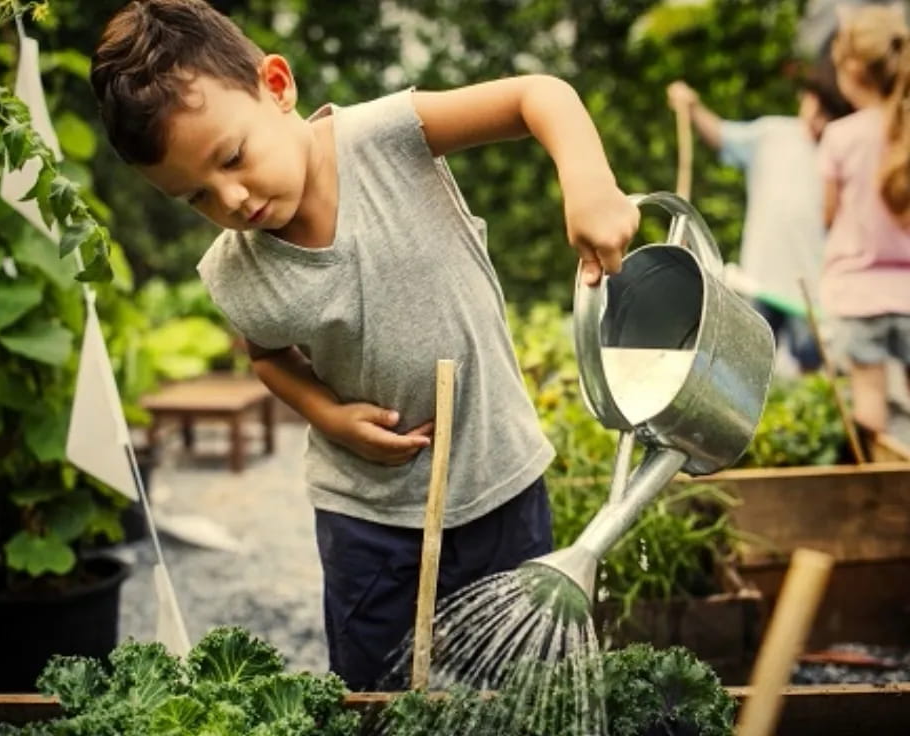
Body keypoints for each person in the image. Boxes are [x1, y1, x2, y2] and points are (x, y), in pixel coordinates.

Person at [89, 0, 639, 690]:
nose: (230, 199)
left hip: (499, 479)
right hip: (365, 517)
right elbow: (268, 358)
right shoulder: (236, 272)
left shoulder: (387, 137)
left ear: (278, 87)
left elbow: (539, 95)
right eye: (195, 197)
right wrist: (328, 415)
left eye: (233, 157)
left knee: (520, 688)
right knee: (372, 690)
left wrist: (588, 181)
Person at [666, 63, 852, 373]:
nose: (817, 120)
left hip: (813, 286)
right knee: (747, 368)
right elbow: (723, 135)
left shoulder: (841, 148)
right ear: (805, 98)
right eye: (815, 107)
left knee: (815, 371)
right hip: (760, 278)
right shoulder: (773, 134)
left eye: (828, 114)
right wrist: (693, 107)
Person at [819, 4, 910, 437]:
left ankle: (879, 496)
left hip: (858, 292)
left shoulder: (841, 136)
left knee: (869, 402)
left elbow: (828, 214)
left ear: (851, 72)